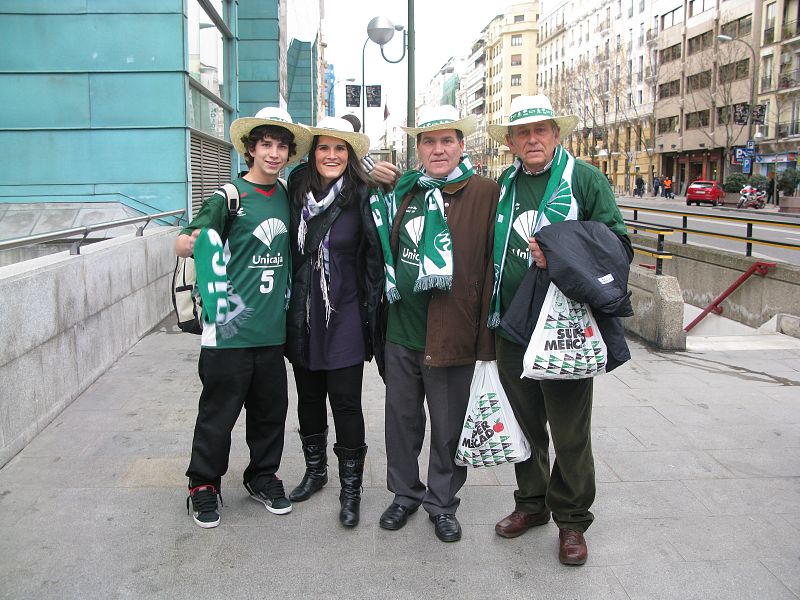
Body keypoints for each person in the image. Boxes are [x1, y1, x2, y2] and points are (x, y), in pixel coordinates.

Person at [485, 95, 630, 565]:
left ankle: (571, 519)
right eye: (522, 133)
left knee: (569, 432)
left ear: (556, 134)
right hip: (513, 324)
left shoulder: (583, 178)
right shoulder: (504, 183)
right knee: (526, 427)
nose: (532, 139)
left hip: (565, 326)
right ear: (509, 142)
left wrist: (561, 251)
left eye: (540, 130)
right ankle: (531, 503)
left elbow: (617, 245)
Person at [176, 107, 312, 528]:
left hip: (271, 333)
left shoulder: (288, 195)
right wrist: (199, 241)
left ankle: (262, 476)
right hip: (228, 331)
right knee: (218, 414)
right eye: (265, 145)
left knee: (270, 413)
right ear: (250, 149)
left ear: (289, 154)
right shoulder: (228, 196)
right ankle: (203, 485)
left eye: (281, 147)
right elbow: (183, 242)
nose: (273, 153)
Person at [374, 105, 498, 543]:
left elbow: (492, 263)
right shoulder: (406, 188)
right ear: (419, 148)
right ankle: (405, 494)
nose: (438, 149)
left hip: (452, 332)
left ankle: (442, 503)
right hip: (401, 330)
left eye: (447, 140)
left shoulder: (485, 192)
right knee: (402, 422)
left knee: (448, 427)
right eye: (429, 141)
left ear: (462, 146)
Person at [284, 116, 387, 528]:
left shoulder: (362, 193)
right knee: (308, 399)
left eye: (340, 148)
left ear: (351, 155)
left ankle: (351, 488)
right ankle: (316, 471)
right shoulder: (295, 190)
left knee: (345, 403)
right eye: (324, 148)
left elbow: (376, 254)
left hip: (344, 312)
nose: (331, 155)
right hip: (304, 312)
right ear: (314, 153)